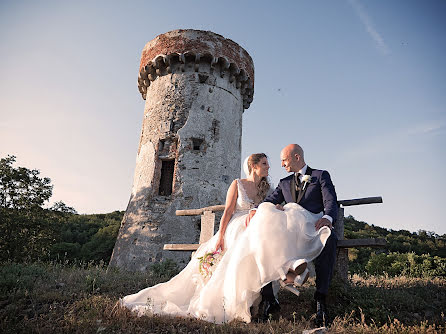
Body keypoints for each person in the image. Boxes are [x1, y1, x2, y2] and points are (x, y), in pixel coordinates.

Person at [120, 152, 331, 323]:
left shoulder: (268, 187)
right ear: (254, 165)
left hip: (257, 223)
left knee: (263, 231)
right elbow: (228, 211)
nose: (270, 167)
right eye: (265, 163)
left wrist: (270, 208)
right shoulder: (238, 183)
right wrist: (220, 236)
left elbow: (273, 204)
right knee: (251, 234)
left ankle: (268, 294)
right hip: (237, 223)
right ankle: (271, 287)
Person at [248, 144, 338, 326]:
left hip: (313, 226)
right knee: (264, 240)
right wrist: (257, 210)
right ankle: (268, 299)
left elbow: (330, 200)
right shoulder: (284, 183)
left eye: (284, 159)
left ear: (297, 157)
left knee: (329, 240)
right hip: (290, 232)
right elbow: (269, 201)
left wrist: (328, 218)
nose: (281, 164)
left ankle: (320, 300)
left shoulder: (320, 176)